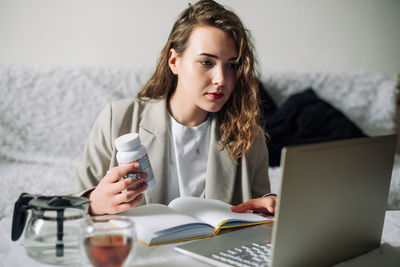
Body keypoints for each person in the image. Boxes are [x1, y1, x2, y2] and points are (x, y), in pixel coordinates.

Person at [74, 0, 276, 216]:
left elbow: (259, 218)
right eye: (207, 62)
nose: (221, 79)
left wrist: (270, 206)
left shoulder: (249, 135)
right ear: (174, 61)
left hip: (213, 250)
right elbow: (72, 206)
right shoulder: (118, 119)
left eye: (231, 65)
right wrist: (93, 205)